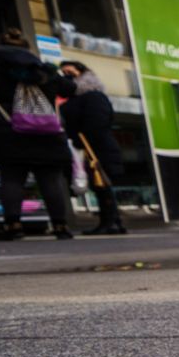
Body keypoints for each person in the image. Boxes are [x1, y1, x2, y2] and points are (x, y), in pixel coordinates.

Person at [0, 28, 77, 240]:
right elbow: (68, 88)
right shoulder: (42, 67)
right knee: (50, 177)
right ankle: (60, 225)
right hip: (47, 130)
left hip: (7, 127)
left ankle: (12, 225)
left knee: (12, 177)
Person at [58, 61, 125, 235]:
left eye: (69, 71)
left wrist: (83, 138)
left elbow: (99, 121)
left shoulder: (93, 96)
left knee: (102, 184)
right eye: (63, 72)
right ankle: (113, 221)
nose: (66, 74)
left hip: (96, 148)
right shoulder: (74, 98)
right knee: (100, 186)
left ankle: (110, 222)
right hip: (88, 147)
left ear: (81, 72)